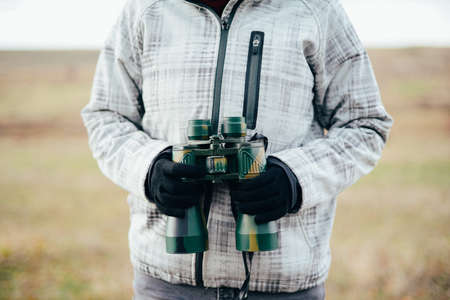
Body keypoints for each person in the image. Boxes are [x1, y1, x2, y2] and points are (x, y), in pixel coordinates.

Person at [81, 0, 393, 299]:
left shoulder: (316, 9)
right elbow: (106, 117)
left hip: (282, 284)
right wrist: (149, 168)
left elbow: (365, 125)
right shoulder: (145, 9)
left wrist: (294, 178)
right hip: (167, 284)